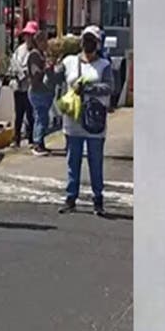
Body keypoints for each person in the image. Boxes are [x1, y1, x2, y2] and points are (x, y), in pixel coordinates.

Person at [50, 25, 114, 216]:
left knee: (95, 161)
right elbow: (55, 79)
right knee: (73, 160)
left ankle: (98, 199)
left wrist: (88, 89)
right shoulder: (69, 62)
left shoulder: (104, 65)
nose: (87, 44)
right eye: (85, 40)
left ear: (98, 44)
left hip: (94, 121)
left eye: (91, 41)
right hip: (73, 120)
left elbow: (110, 87)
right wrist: (48, 70)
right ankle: (71, 198)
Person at [8, 21, 37, 148]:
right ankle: (17, 139)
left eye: (31, 35)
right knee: (18, 113)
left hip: (30, 87)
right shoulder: (19, 49)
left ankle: (31, 138)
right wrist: (16, 72)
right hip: (19, 86)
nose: (28, 38)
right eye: (27, 35)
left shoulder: (36, 52)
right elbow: (13, 63)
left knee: (30, 114)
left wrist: (26, 72)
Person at [27, 29, 55, 156]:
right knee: (41, 117)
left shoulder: (42, 54)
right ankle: (37, 143)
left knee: (43, 117)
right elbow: (35, 73)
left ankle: (40, 142)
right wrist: (45, 68)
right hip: (37, 91)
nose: (46, 43)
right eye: (43, 40)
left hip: (43, 91)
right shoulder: (34, 55)